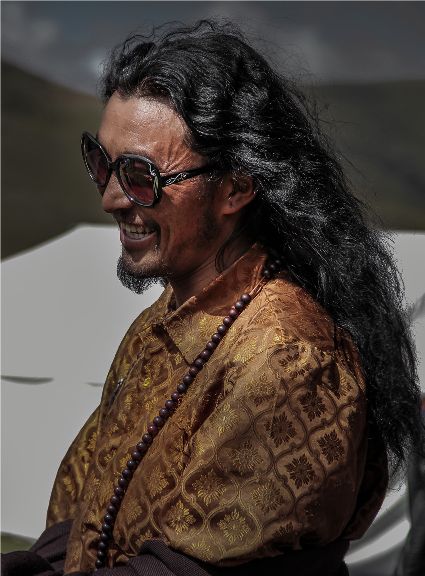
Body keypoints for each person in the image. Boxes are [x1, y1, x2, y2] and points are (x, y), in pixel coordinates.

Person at [2, 20, 423, 576]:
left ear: (235, 187)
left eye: (140, 175)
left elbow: (187, 570)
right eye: (102, 164)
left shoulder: (287, 357)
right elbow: (86, 524)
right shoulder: (163, 322)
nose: (111, 199)